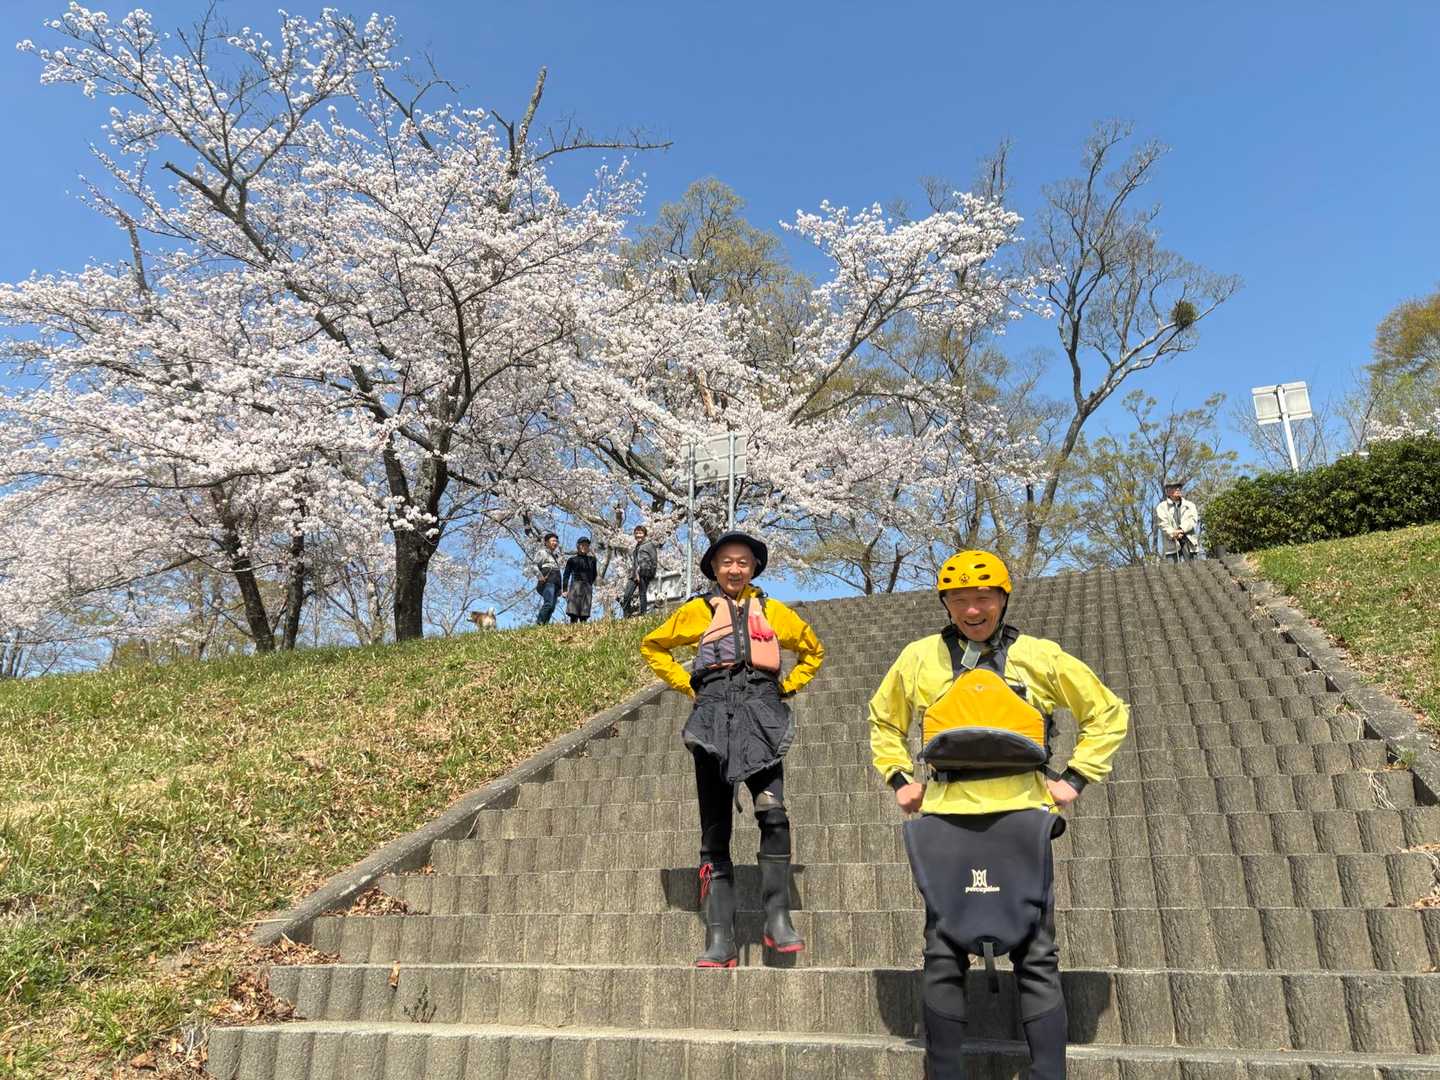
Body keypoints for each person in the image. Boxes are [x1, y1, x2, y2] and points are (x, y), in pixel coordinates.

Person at [868, 550, 1128, 1079]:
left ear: (1003, 599)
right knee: (943, 950)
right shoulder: (919, 657)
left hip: (1022, 816)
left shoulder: (1039, 655)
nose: (972, 610)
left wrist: (1075, 778)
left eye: (983, 598)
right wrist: (899, 778)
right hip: (946, 815)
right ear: (945, 603)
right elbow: (884, 720)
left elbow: (1107, 712)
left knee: (1036, 950)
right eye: (959, 599)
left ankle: (1047, 1073)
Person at [640, 531, 825, 967]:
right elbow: (653, 645)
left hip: (762, 714)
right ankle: (720, 938)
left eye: (743, 562)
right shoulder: (697, 611)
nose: (735, 569)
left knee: (773, 812)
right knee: (715, 830)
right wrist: (689, 686)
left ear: (754, 567)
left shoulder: (776, 612)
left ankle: (777, 919)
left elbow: (813, 652)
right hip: (712, 717)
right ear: (714, 568)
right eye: (726, 562)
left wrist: (787, 687)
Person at [1155, 479, 1200, 561]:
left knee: (1195, 566)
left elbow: (1193, 520)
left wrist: (1181, 530)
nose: (1178, 489)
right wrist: (1173, 533)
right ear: (1168, 492)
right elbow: (1163, 524)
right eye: (1175, 487)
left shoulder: (1190, 505)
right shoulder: (1161, 507)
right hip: (1171, 544)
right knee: (1173, 568)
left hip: (1189, 542)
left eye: (1179, 487)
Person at [621, 524, 658, 617]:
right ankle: (626, 615)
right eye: (636, 533)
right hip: (634, 574)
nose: (638, 535)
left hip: (645, 572)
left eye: (640, 533)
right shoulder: (636, 548)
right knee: (627, 594)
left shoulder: (649, 545)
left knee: (642, 594)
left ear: (644, 534)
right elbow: (635, 562)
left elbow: (654, 560)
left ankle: (643, 615)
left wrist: (651, 574)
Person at [562, 537, 598, 623]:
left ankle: (584, 629)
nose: (584, 547)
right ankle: (572, 628)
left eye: (587, 545)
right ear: (578, 546)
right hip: (575, 586)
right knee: (573, 613)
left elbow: (594, 574)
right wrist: (565, 589)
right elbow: (566, 575)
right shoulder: (572, 560)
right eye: (582, 545)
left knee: (584, 613)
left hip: (587, 586)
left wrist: (589, 584)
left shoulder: (592, 560)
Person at [532, 532, 563, 624]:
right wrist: (540, 576)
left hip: (556, 583)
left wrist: (560, 588)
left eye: (556, 541)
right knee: (548, 603)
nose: (555, 543)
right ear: (546, 542)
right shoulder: (542, 553)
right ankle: (540, 623)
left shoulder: (556, 557)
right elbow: (534, 565)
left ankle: (545, 625)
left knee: (552, 607)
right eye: (553, 541)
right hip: (547, 582)